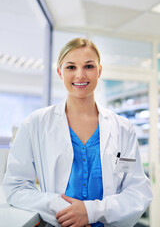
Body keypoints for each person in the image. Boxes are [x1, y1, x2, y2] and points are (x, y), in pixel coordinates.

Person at [3, 37, 152, 227]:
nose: (80, 75)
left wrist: (91, 212)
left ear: (99, 71)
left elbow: (138, 191)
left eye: (89, 66)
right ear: (59, 72)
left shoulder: (123, 128)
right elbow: (15, 186)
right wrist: (63, 210)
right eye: (71, 67)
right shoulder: (35, 123)